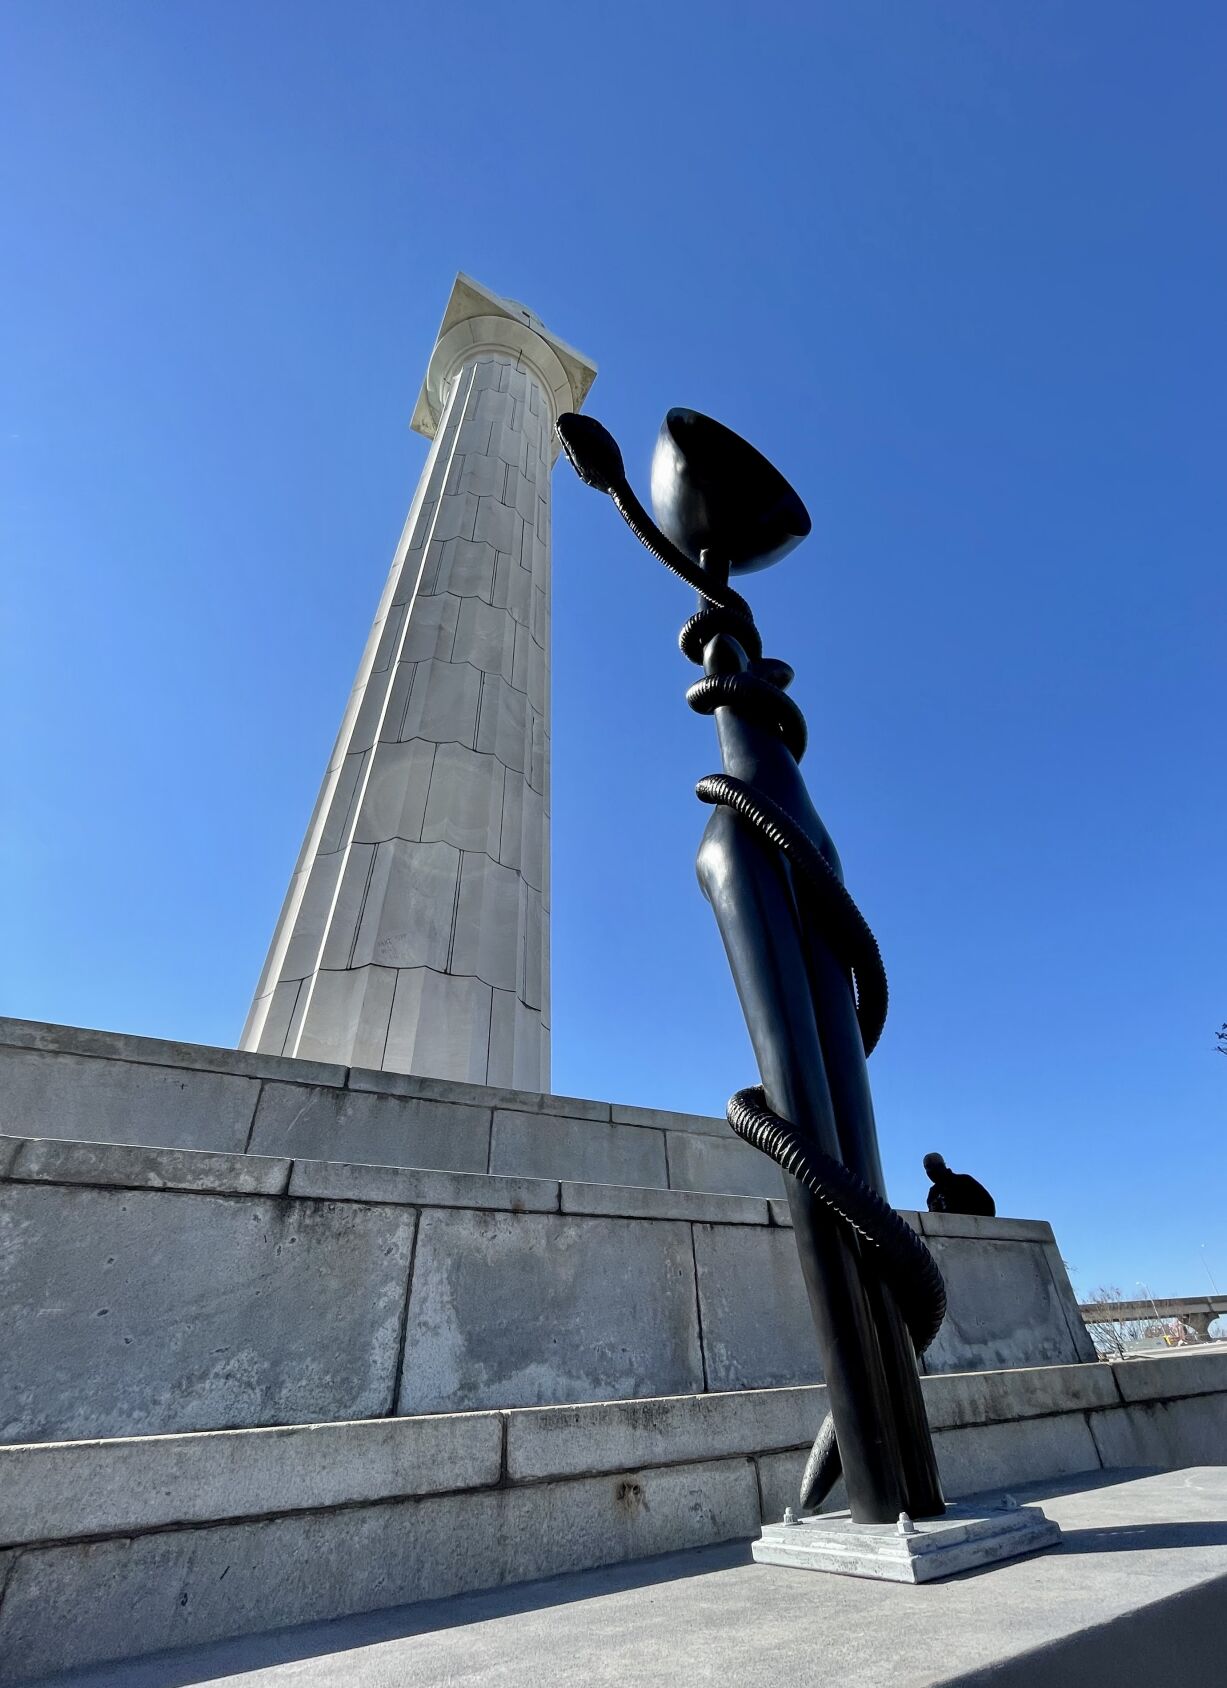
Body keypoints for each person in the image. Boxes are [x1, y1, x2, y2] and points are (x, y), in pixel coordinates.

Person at [923, 1152, 996, 1217]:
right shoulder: (933, 1193)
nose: (930, 1173)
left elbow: (988, 1207)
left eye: (933, 1168)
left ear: (942, 1166)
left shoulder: (965, 1181)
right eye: (927, 1168)